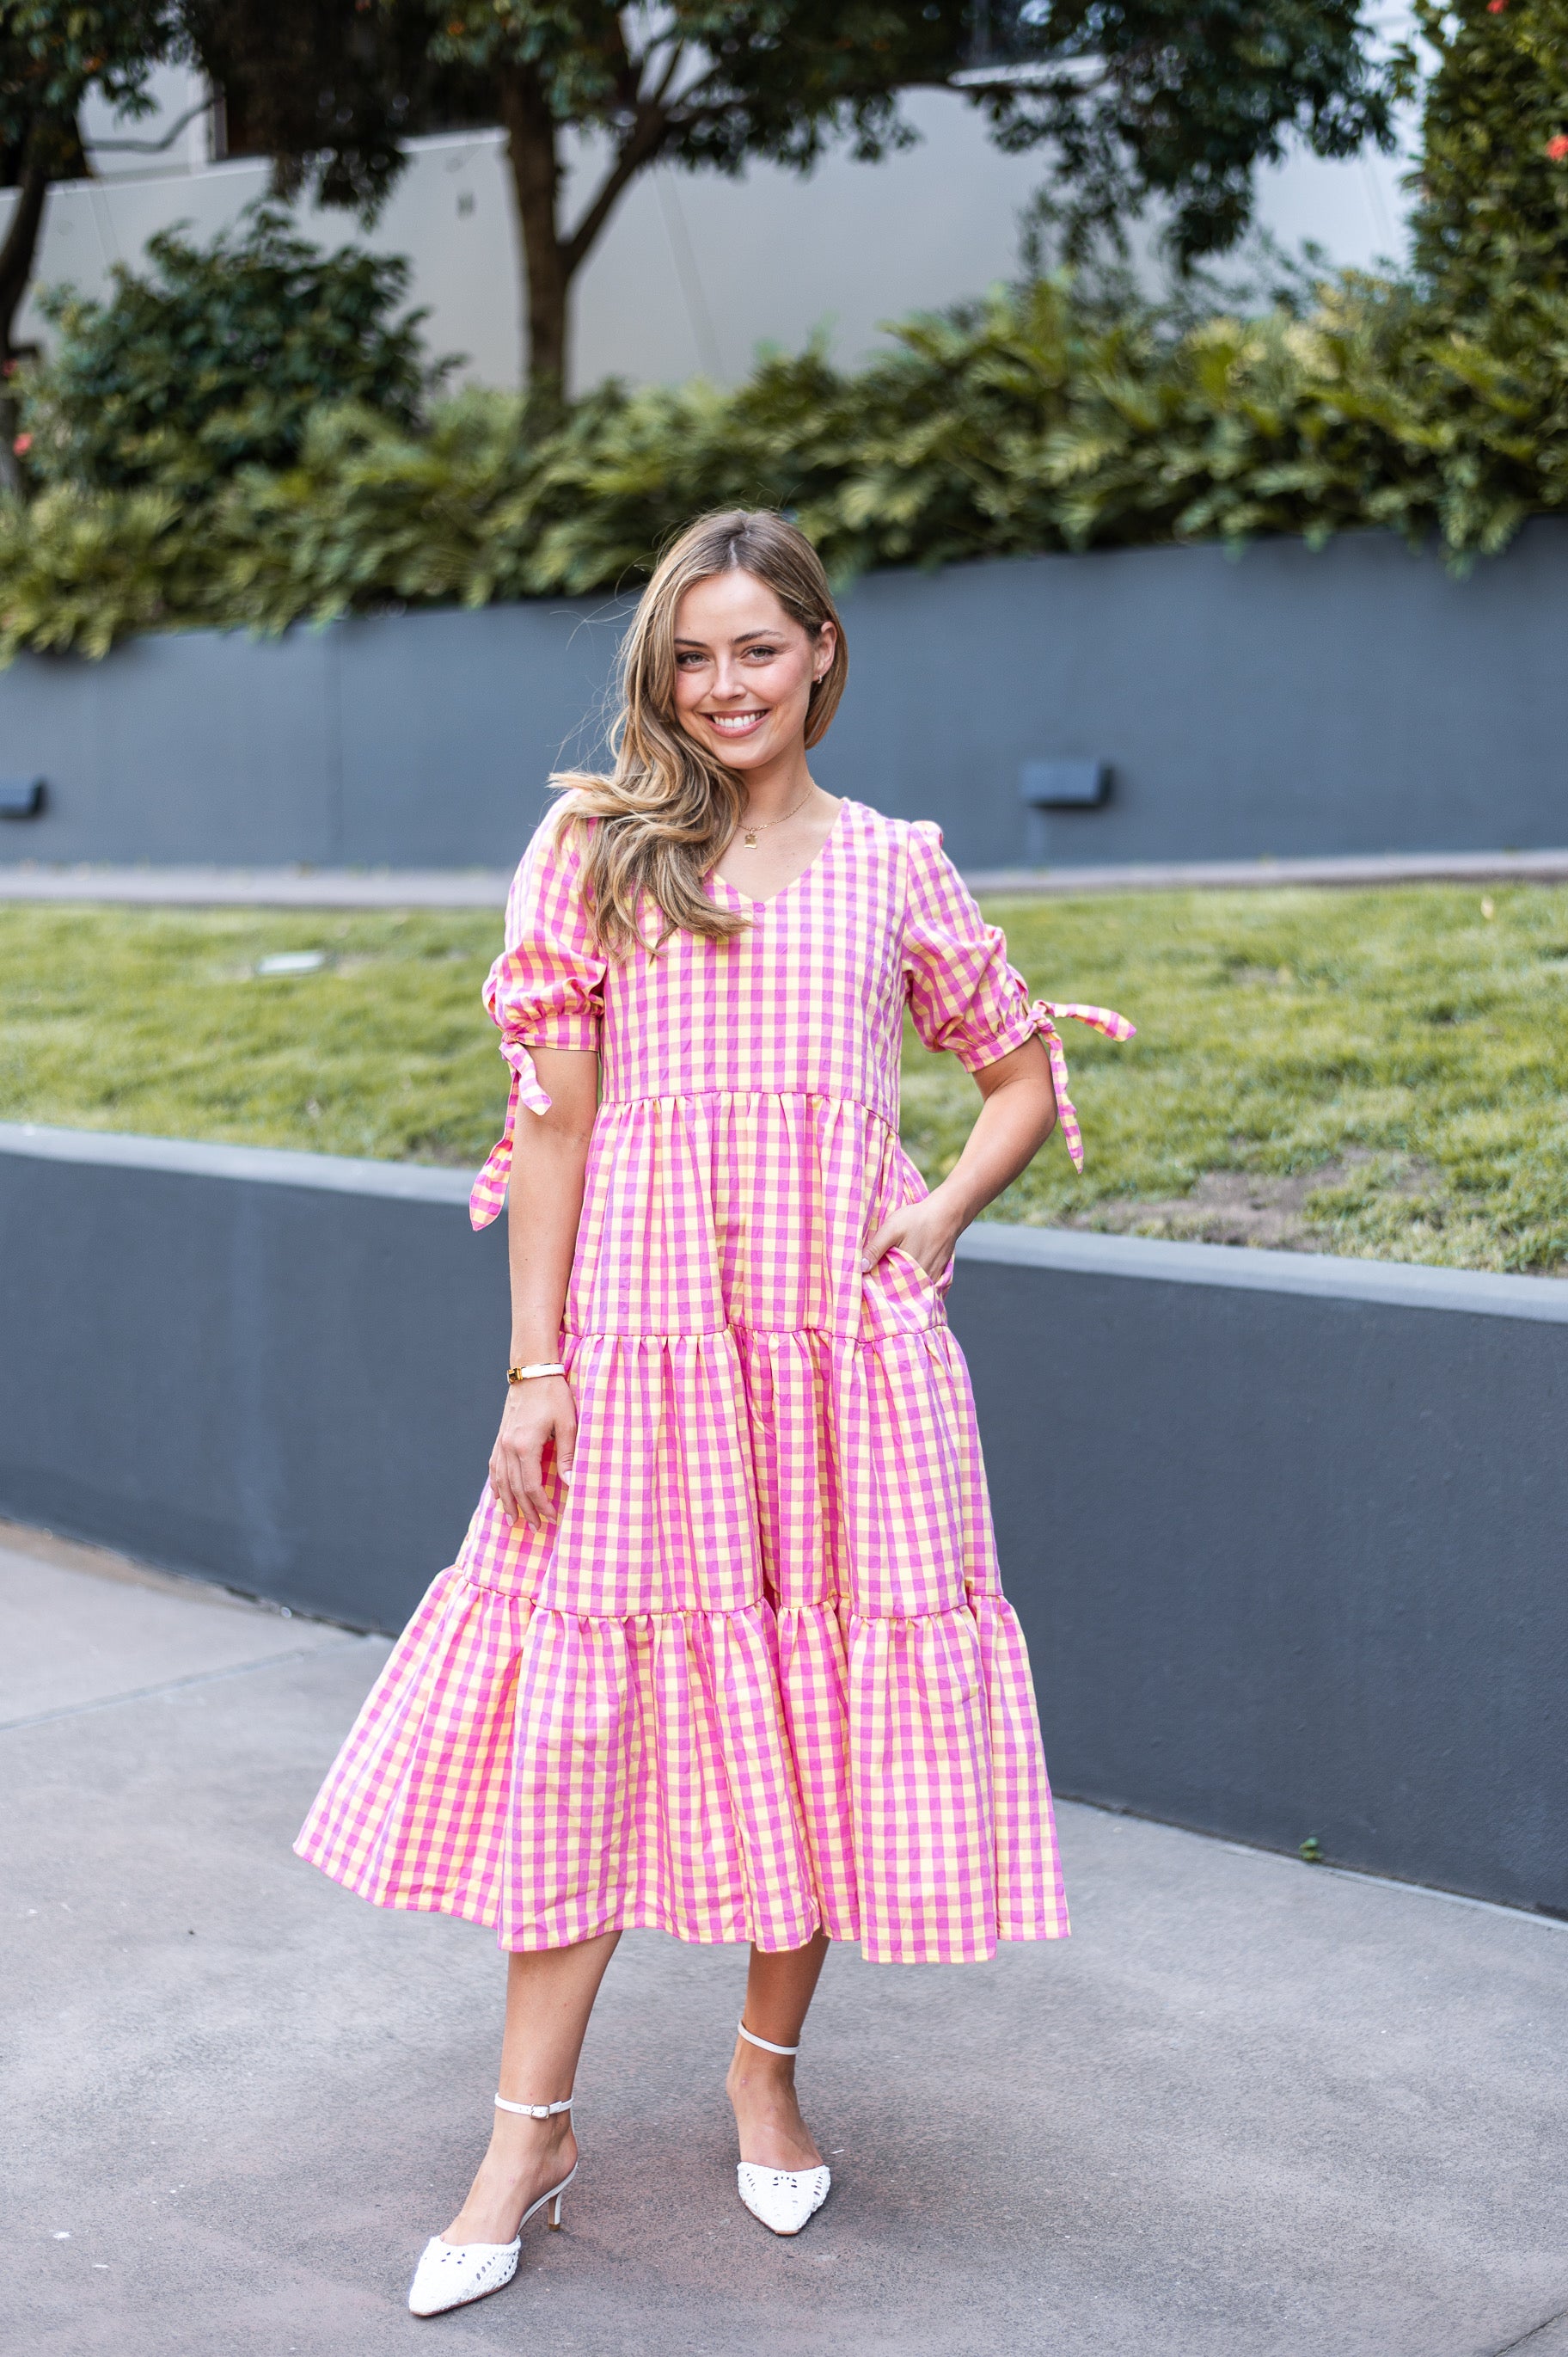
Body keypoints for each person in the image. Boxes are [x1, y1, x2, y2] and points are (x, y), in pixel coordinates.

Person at [295, 509, 1131, 2318]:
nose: (725, 685)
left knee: (817, 1692)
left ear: (822, 650)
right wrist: (535, 1369)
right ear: (659, 677)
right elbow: (561, 1127)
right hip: (643, 1346)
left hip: (838, 1353)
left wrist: (934, 1216)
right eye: (692, 655)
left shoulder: (897, 860)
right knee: (586, 1713)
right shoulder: (598, 847)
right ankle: (529, 2130)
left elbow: (1011, 1061)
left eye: (758, 647)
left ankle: (765, 2070)